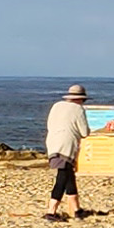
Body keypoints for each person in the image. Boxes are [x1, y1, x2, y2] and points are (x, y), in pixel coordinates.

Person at [44, 83, 91, 220]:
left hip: (52, 143)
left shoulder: (56, 106)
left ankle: (77, 210)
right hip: (67, 146)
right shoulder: (78, 110)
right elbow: (84, 132)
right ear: (81, 99)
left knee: (69, 176)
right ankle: (51, 211)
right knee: (62, 178)